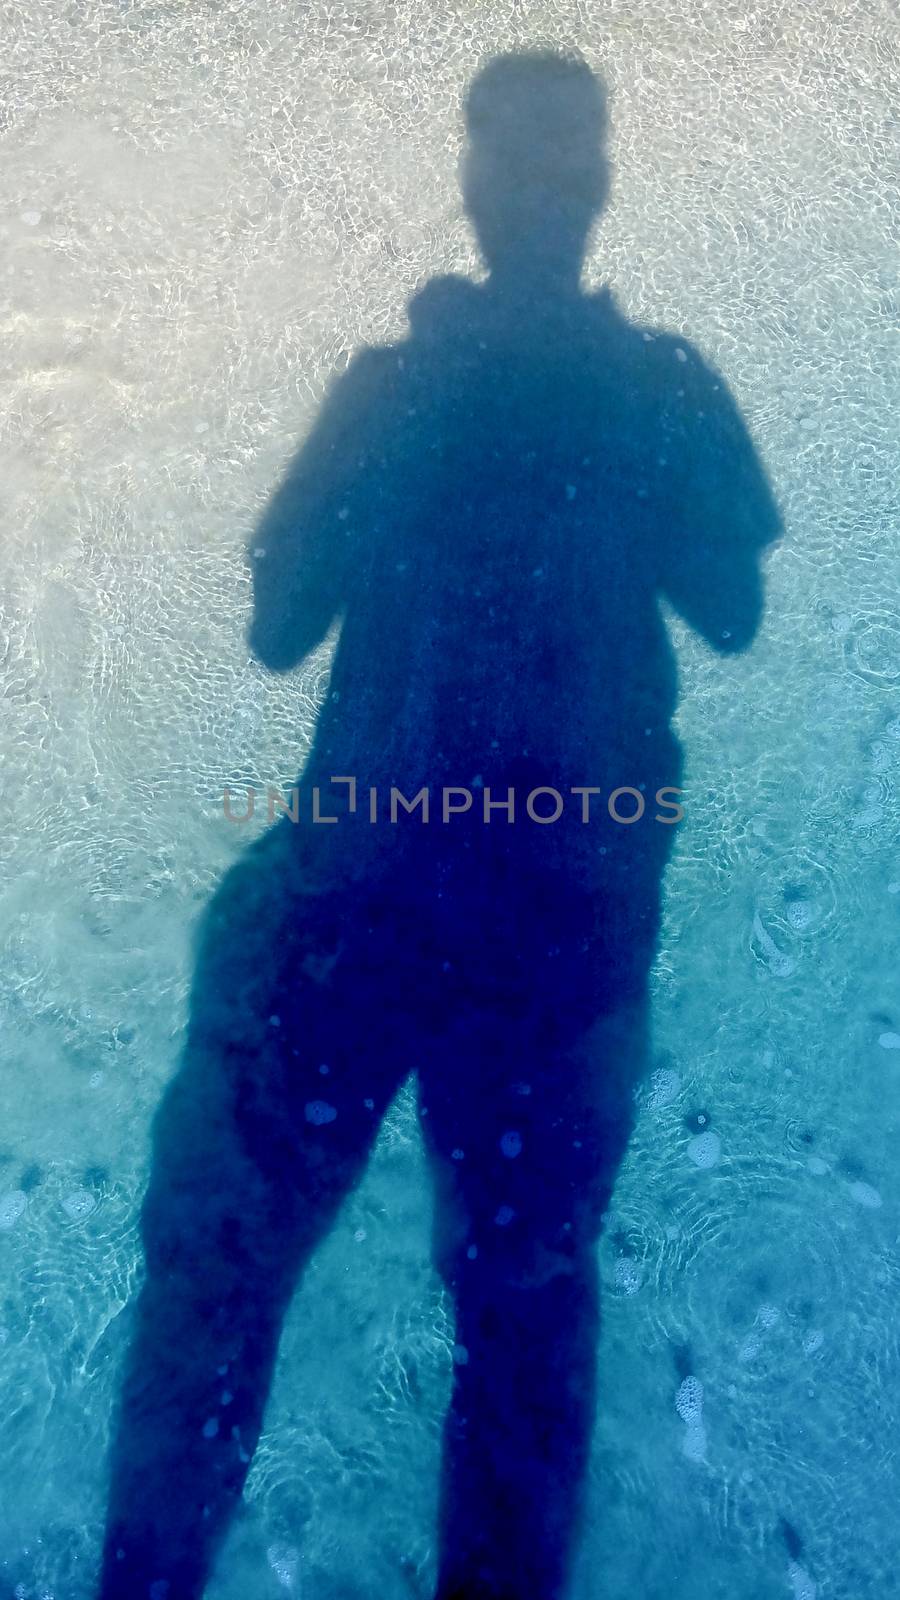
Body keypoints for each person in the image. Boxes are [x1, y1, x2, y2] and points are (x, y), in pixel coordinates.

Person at [99, 49, 782, 1600]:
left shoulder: (422, 386)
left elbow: (281, 619)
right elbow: (729, 601)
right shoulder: (627, 386)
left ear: (494, 188)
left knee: (242, 1286)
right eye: (533, 159)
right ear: (582, 189)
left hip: (383, 915)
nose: (534, 187)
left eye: (537, 159)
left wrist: (442, 438)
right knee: (518, 1321)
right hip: (532, 935)